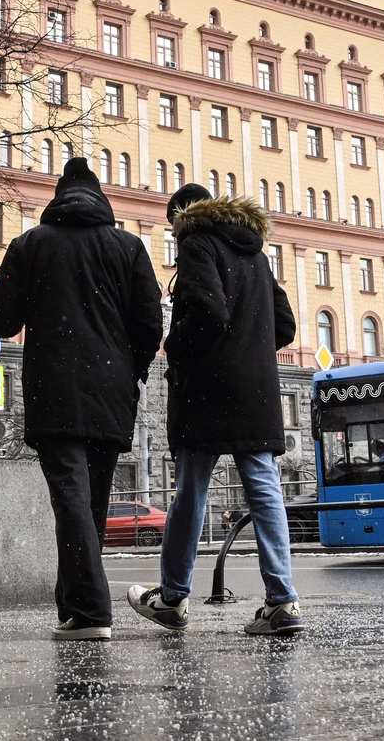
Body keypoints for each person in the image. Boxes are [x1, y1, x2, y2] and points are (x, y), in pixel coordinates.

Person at [0, 158, 164, 642]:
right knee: (90, 502)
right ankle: (73, 604)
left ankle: (88, 611)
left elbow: (1, 321)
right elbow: (150, 325)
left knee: (70, 499)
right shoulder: (129, 247)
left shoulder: (30, 245)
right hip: (111, 388)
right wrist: (132, 370)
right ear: (100, 199)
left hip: (54, 386)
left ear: (57, 200)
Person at [126, 184, 303, 636]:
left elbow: (208, 312)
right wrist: (250, 349)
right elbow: (284, 326)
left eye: (172, 226)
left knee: (190, 494)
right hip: (257, 391)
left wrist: (175, 345)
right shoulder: (257, 256)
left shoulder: (196, 244)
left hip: (206, 389)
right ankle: (282, 602)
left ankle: (172, 597)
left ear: (182, 216)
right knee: (265, 490)